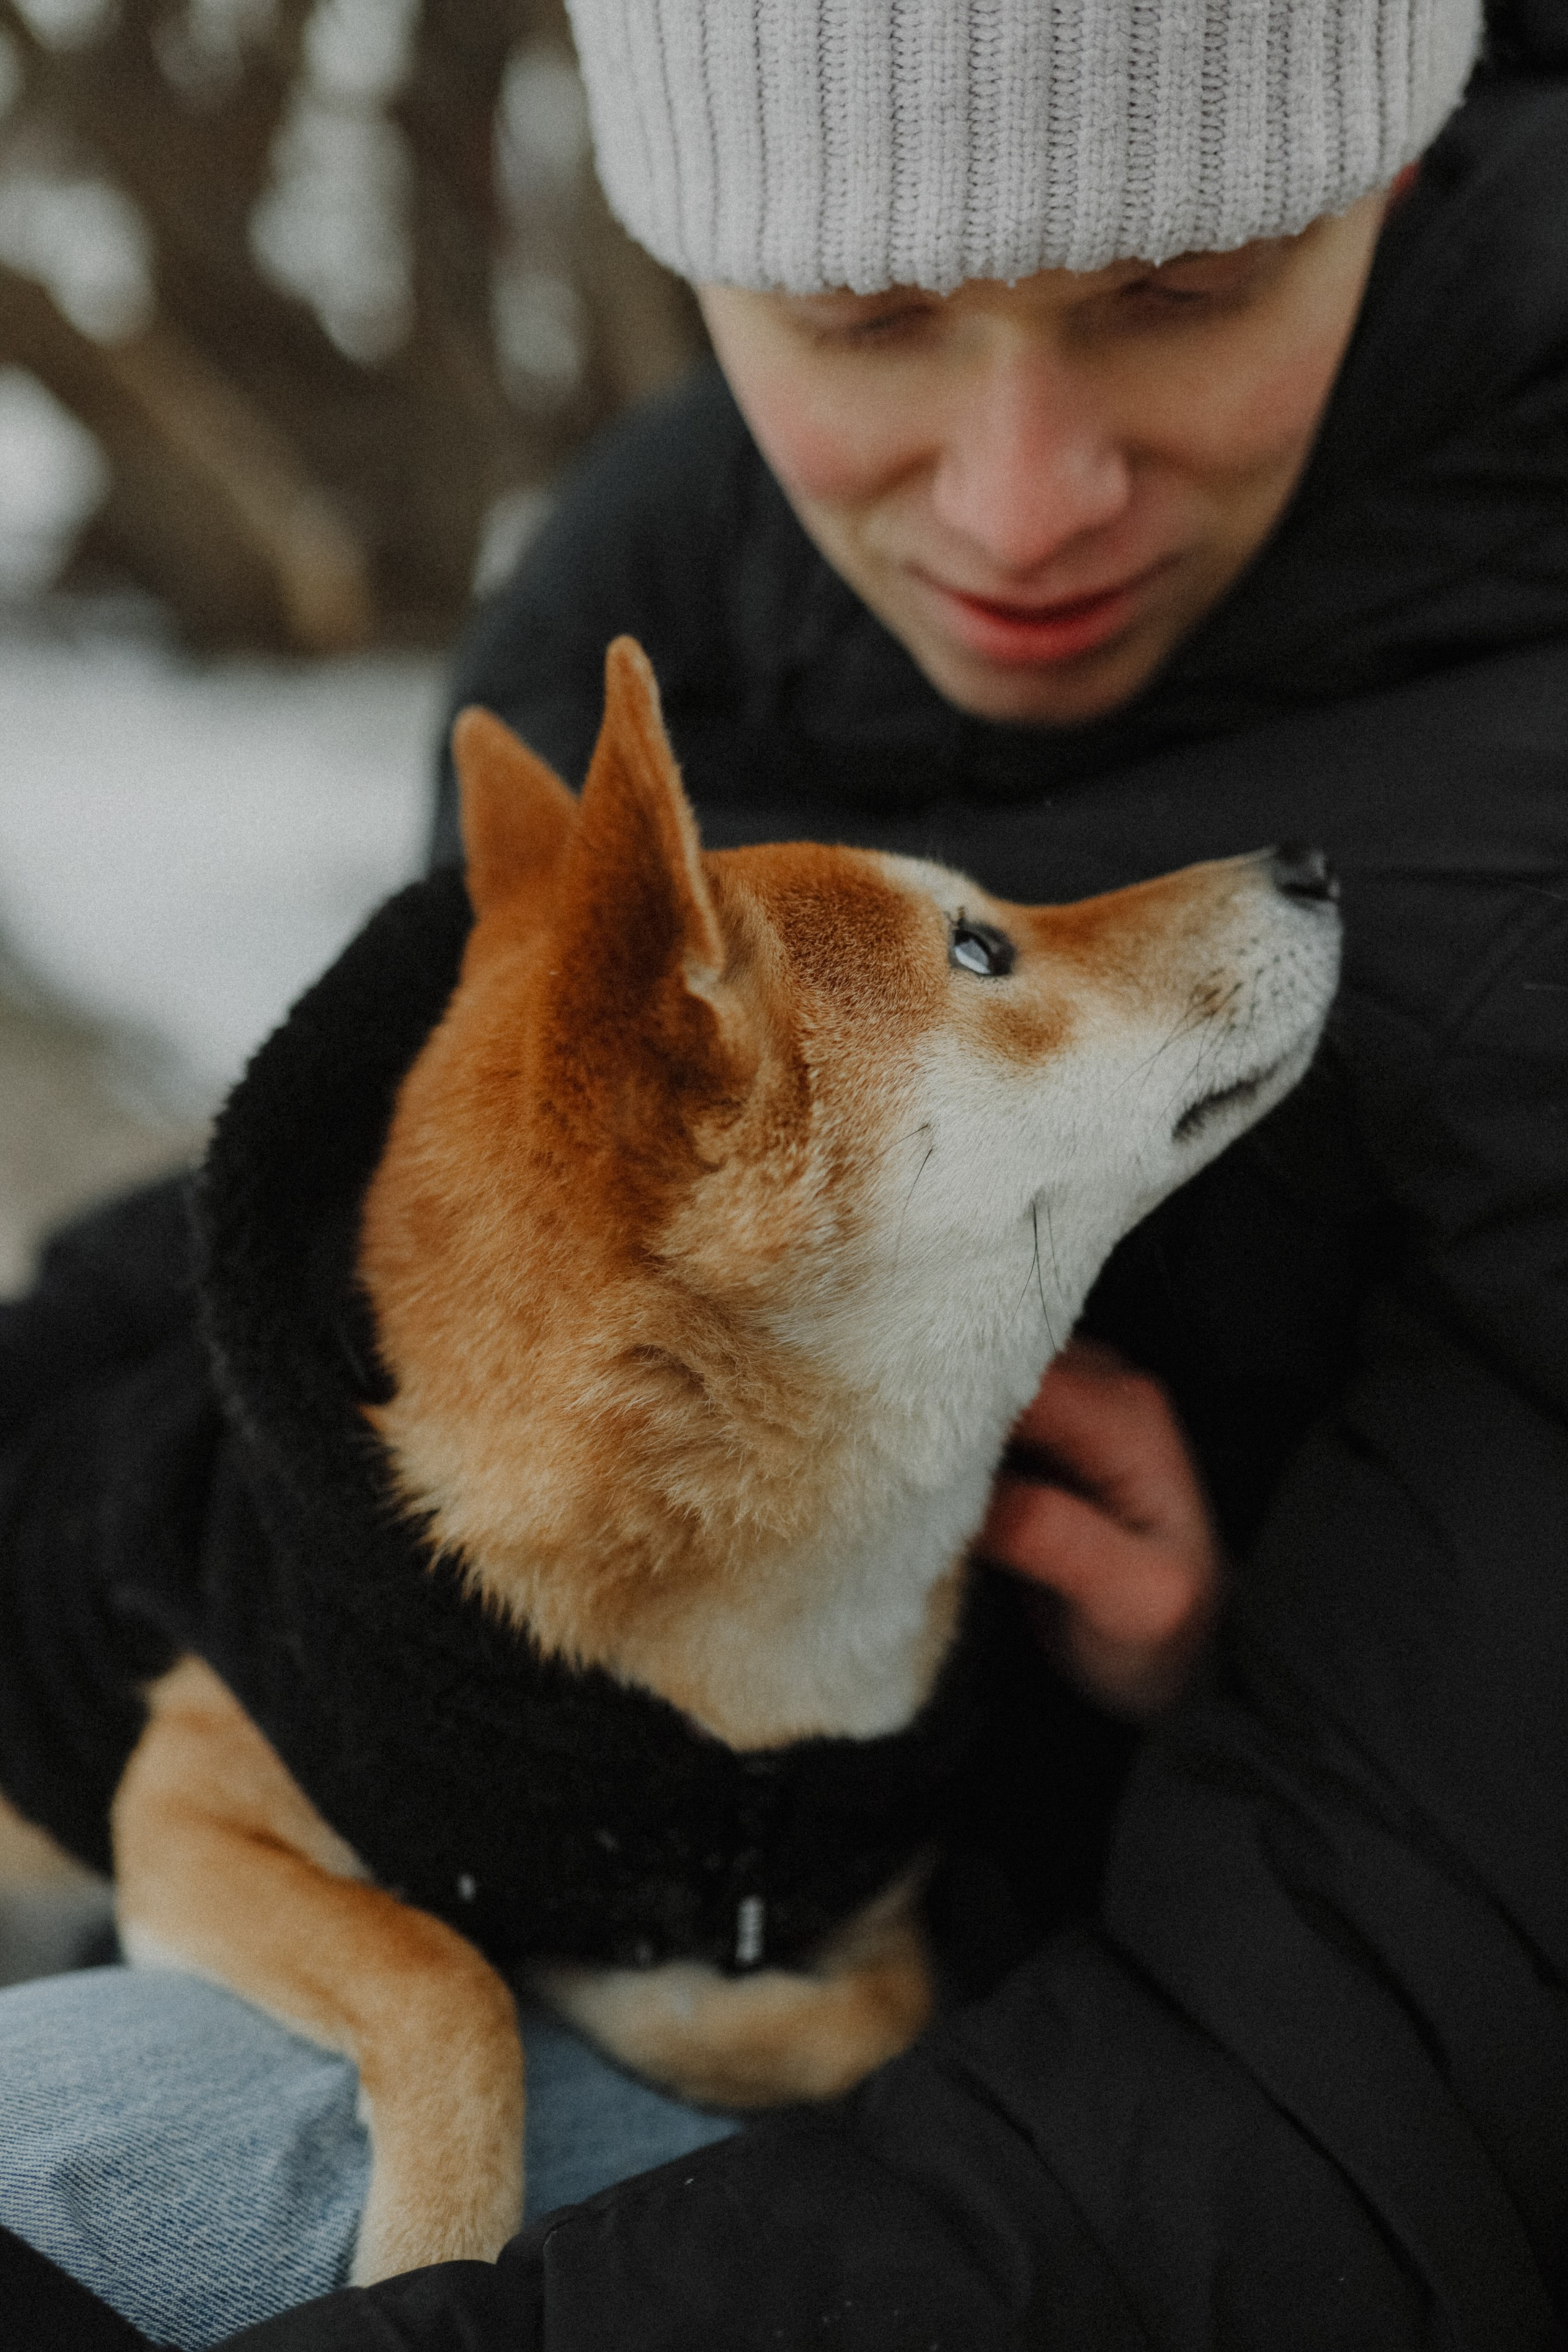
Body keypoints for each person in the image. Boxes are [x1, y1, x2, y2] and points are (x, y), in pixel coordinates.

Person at [1, 0, 1565, 2344]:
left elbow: (1359, 2125)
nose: (1017, 501)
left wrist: (1187, 1708)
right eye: (860, 318)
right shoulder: (667, 565)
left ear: (1399, 165)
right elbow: (279, 1284)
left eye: (1185, 285)